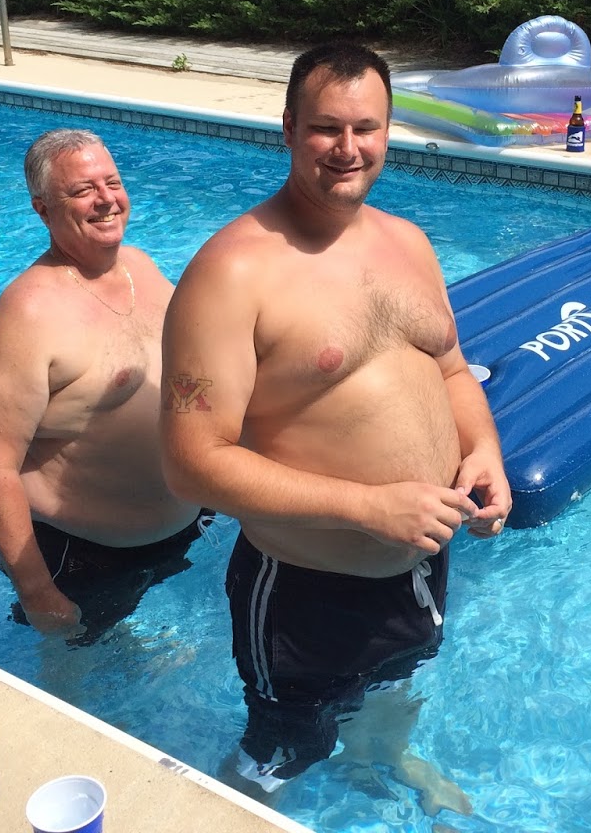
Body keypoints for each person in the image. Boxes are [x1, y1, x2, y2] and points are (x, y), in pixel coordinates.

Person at [160, 43, 512, 791]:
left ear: (388, 130)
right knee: (277, 756)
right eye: (326, 127)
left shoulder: (408, 243)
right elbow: (191, 461)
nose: (348, 148)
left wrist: (484, 451)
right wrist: (368, 507)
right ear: (289, 128)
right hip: (305, 590)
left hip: (419, 562)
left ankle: (381, 757)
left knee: (396, 682)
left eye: (366, 127)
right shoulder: (233, 272)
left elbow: (452, 370)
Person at [0, 129, 205, 646]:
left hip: (182, 526)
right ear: (43, 210)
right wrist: (37, 591)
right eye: (82, 190)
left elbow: (177, 375)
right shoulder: (29, 312)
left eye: (112, 183)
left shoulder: (141, 267)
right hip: (84, 558)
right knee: (73, 673)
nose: (106, 199)